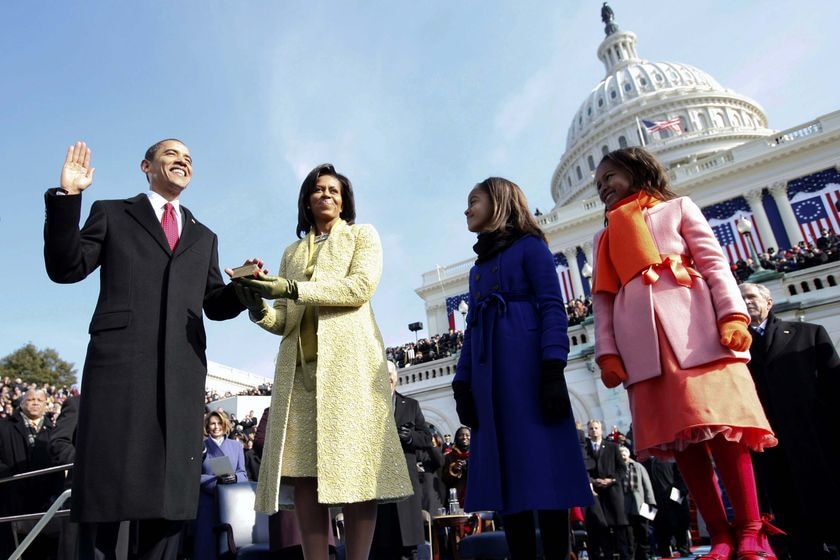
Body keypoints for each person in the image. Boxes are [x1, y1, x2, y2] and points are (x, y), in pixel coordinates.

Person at [43, 140, 246, 559]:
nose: (183, 161)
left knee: (168, 506)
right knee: (106, 499)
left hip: (180, 378)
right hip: (119, 372)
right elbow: (66, 268)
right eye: (172, 154)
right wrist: (69, 198)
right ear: (146, 166)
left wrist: (244, 288)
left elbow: (214, 304)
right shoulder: (113, 213)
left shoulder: (204, 237)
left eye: (189, 157)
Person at [592, 147, 778, 560]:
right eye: (599, 182)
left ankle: (749, 528)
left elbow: (714, 264)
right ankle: (720, 535)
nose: (603, 186)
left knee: (725, 431)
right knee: (683, 446)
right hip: (645, 348)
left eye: (610, 176)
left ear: (636, 170)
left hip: (697, 333)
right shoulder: (603, 236)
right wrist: (607, 351)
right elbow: (603, 299)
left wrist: (732, 315)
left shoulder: (678, 208)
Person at [230, 163, 412, 560]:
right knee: (304, 475)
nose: (325, 195)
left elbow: (359, 288)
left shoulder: (362, 235)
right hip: (299, 374)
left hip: (350, 370)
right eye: (318, 190)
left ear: (344, 200)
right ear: (307, 201)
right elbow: (283, 319)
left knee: (357, 470)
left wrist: (291, 288)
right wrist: (256, 305)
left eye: (333, 190)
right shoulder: (292, 252)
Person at [453, 177, 593, 559]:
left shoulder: (531, 248)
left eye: (473, 200)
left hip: (528, 373)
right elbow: (472, 327)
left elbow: (552, 305)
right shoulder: (477, 269)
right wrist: (461, 382)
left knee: (544, 468)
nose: (466, 210)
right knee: (506, 475)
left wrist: (552, 366)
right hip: (489, 380)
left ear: (498, 202)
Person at [739, 282, 840, 559]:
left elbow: (834, 388)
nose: (745, 302)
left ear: (768, 301)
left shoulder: (809, 333)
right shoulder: (734, 352)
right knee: (795, 531)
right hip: (772, 455)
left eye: (750, 296)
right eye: (739, 298)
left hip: (817, 446)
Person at [370, 362, 432, 560]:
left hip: (406, 481)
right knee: (383, 542)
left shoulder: (411, 405)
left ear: (395, 378)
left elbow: (427, 437)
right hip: (379, 481)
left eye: (390, 374)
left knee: (408, 545)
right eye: (383, 375)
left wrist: (411, 437)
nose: (388, 379)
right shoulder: (369, 406)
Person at [0, 389, 64, 558]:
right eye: (30, 399)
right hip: (11, 499)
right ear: (22, 403)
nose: (35, 403)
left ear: (45, 405)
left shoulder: (55, 432)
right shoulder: (4, 427)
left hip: (45, 502)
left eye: (39, 400)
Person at [193, 410, 248, 560]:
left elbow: (243, 473)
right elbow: (193, 476)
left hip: (230, 503)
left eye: (219, 423)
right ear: (207, 426)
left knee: (228, 546)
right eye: (212, 423)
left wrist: (235, 478)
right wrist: (215, 481)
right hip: (207, 503)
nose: (216, 427)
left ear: (225, 425)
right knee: (206, 547)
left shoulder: (236, 447)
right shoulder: (201, 446)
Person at [585, 419, 629, 560]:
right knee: (600, 529)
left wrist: (612, 479)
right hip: (596, 495)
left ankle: (625, 556)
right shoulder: (585, 449)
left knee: (619, 530)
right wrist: (592, 481)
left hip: (613, 494)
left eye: (596, 428)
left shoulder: (613, 447)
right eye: (591, 428)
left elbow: (622, 469)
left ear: (601, 429)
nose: (594, 431)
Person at [619, 445, 656, 560]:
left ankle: (644, 555)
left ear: (629, 454)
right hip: (624, 506)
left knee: (643, 532)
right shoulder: (616, 468)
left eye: (625, 451)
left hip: (640, 504)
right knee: (629, 535)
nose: (623, 454)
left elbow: (647, 485)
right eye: (620, 452)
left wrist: (651, 503)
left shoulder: (638, 466)